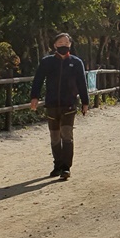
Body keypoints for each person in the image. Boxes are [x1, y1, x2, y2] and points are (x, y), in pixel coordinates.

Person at [30, 33, 89, 180]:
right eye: (61, 43)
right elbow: (38, 80)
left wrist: (85, 102)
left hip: (69, 104)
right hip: (52, 104)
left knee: (66, 135)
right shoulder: (47, 62)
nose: (64, 45)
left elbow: (82, 83)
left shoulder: (76, 62)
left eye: (67, 43)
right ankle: (57, 165)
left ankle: (66, 167)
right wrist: (34, 97)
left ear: (70, 45)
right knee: (55, 136)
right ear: (55, 45)